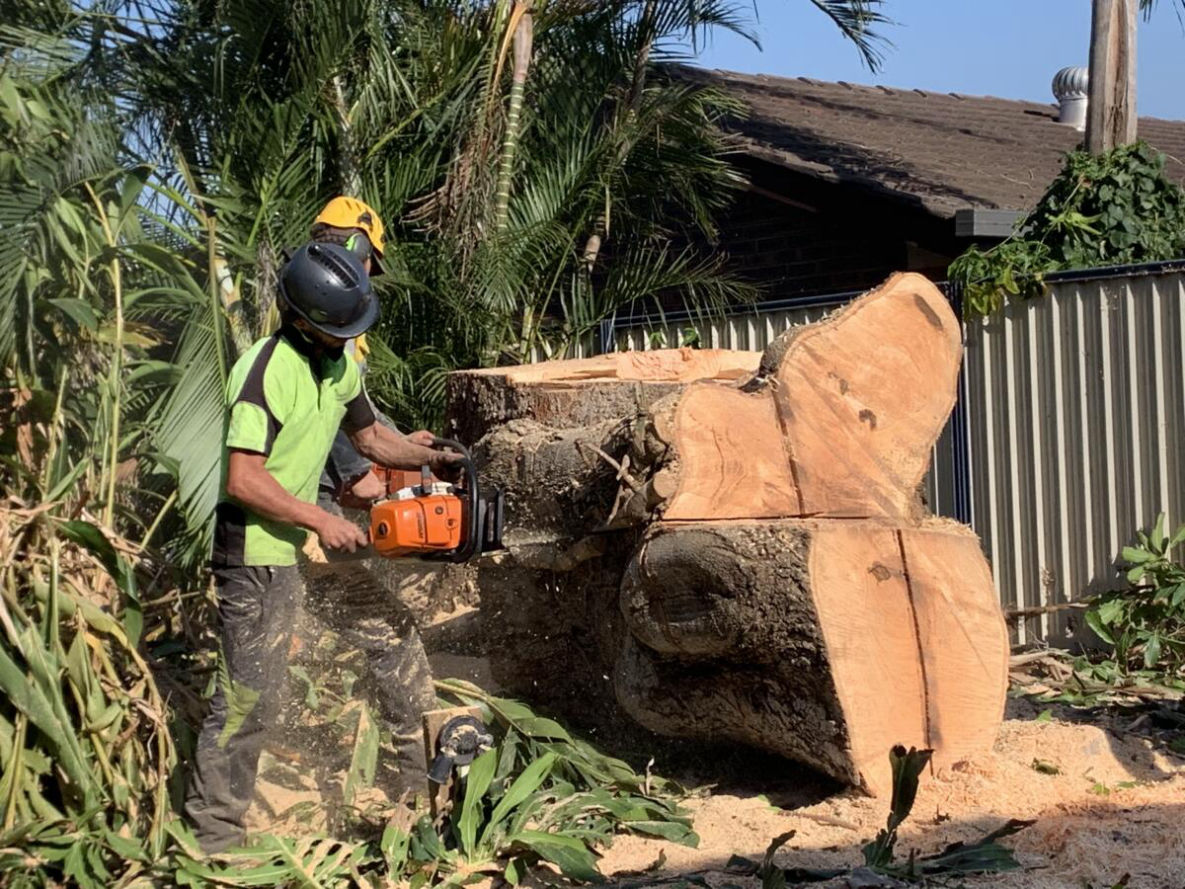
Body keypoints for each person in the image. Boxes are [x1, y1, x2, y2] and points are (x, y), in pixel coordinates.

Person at [184, 242, 459, 853]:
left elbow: (371, 439)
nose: (346, 340)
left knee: (392, 633)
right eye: (339, 331)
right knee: (249, 697)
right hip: (254, 553)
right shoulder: (264, 370)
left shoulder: (339, 367)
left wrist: (433, 456)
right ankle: (214, 841)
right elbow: (243, 480)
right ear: (305, 322)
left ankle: (424, 787)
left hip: (305, 541)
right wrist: (317, 519)